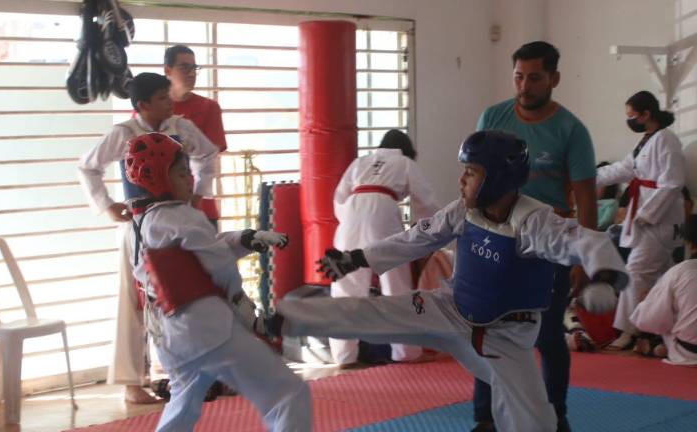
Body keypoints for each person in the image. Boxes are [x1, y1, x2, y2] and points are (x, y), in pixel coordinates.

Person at [269, 130, 628, 432]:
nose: (461, 179)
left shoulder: (534, 221)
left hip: (504, 337)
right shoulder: (461, 211)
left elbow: (584, 240)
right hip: (448, 309)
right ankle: (287, 317)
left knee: (532, 422)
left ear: (499, 178)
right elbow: (415, 239)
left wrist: (605, 278)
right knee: (373, 311)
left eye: (471, 172)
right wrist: (356, 258)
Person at [124, 132, 311, 432]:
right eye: (183, 173)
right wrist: (251, 316)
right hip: (209, 332)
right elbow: (218, 266)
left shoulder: (139, 224)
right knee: (288, 394)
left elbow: (200, 252)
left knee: (182, 409)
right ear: (159, 178)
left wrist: (245, 239)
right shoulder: (183, 216)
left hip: (170, 337)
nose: (191, 180)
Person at [472, 41, 598, 432]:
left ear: (554, 78)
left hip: (548, 245)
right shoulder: (493, 117)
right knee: (485, 329)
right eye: (518, 77)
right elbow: (475, 180)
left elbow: (585, 197)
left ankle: (556, 414)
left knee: (546, 336)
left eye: (535, 78)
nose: (524, 86)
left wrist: (584, 257)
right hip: (497, 239)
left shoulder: (571, 131)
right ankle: (485, 418)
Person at [77, 72, 219, 403]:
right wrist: (107, 205)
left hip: (179, 221)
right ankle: (130, 381)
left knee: (184, 295)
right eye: (161, 98)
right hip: (139, 223)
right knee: (133, 298)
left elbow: (208, 155)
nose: (170, 102)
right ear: (141, 105)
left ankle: (186, 372)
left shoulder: (181, 128)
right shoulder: (124, 133)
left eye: (169, 97)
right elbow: (87, 167)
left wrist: (199, 194)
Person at [328, 129, 440, 366]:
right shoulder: (404, 162)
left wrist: (351, 221)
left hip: (351, 215)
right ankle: (406, 353)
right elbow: (425, 202)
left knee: (346, 287)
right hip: (383, 215)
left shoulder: (360, 162)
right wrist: (423, 233)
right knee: (396, 285)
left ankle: (343, 356)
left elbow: (338, 198)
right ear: (407, 150)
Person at [597, 90, 686, 350]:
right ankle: (660, 330)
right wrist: (589, 176)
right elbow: (623, 169)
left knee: (635, 272)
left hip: (659, 220)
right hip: (647, 219)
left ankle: (630, 330)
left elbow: (673, 183)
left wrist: (647, 215)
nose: (630, 120)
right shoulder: (646, 141)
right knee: (661, 277)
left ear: (647, 114)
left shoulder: (666, 139)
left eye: (632, 115)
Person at [164, 44, 227, 224]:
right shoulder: (151, 110)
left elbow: (210, 157)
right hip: (162, 208)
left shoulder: (209, 108)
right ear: (168, 70)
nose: (191, 73)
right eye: (184, 67)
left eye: (194, 68)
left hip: (200, 205)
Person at [630, 214, 697, 366]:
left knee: (662, 313)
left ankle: (655, 346)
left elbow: (650, 321)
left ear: (689, 244)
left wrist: (646, 302)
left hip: (689, 352)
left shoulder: (679, 272)